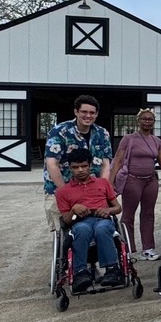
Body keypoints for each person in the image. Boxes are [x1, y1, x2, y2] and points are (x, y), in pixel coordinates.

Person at [56, 150, 123, 293]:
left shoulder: (103, 183)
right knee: (82, 229)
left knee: (102, 228)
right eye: (75, 167)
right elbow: (66, 220)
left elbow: (118, 208)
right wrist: (73, 209)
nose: (80, 170)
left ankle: (112, 270)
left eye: (84, 166)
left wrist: (107, 210)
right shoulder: (63, 192)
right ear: (70, 168)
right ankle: (80, 272)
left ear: (90, 165)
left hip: (102, 218)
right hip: (80, 222)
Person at [43, 94, 113, 231]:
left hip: (92, 191)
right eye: (84, 112)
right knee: (63, 231)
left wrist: (103, 189)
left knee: (97, 227)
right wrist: (65, 192)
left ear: (96, 114)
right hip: (61, 189)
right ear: (76, 111)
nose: (88, 116)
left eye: (92, 113)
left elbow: (105, 164)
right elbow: (52, 164)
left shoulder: (102, 134)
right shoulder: (59, 131)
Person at [110, 108, 161, 260]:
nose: (147, 122)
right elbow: (118, 160)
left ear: (154, 122)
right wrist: (110, 183)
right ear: (138, 121)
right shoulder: (129, 139)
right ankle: (128, 249)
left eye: (150, 119)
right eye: (144, 119)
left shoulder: (156, 141)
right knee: (128, 215)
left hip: (151, 180)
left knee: (148, 214)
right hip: (132, 179)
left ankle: (148, 248)